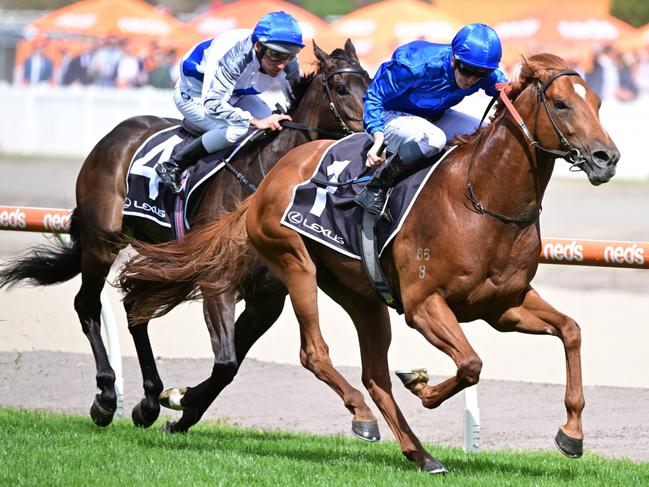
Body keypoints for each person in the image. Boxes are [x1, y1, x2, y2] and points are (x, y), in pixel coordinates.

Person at [355, 23, 508, 215]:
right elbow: (374, 97)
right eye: (466, 70)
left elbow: (507, 90)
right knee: (433, 139)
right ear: (454, 58)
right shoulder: (415, 66)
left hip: (432, 117)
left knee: (488, 133)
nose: (471, 80)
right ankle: (376, 187)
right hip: (387, 115)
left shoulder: (480, 71)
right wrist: (378, 137)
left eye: (481, 74)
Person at [156, 11, 304, 193]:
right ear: (258, 46)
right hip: (197, 97)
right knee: (238, 128)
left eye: (288, 56)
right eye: (275, 55)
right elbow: (213, 104)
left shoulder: (283, 53)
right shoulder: (233, 55)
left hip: (236, 95)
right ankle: (174, 165)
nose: (282, 65)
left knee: (273, 128)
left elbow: (299, 95)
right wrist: (256, 121)